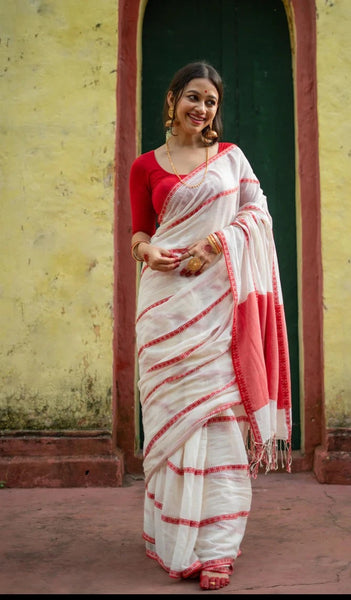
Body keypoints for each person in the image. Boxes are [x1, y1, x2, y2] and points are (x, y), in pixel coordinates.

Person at [129, 61, 292, 591]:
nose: (202, 109)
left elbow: (258, 215)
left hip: (218, 307)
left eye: (211, 102)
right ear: (173, 99)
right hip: (165, 308)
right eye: (193, 98)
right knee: (174, 427)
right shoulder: (144, 166)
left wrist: (215, 243)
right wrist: (148, 249)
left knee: (219, 424)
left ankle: (217, 548)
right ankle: (176, 540)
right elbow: (138, 232)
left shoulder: (230, 160)